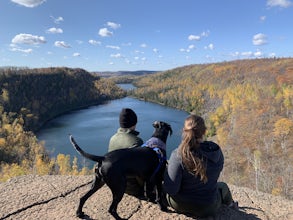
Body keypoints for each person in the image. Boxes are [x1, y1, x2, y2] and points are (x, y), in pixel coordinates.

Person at [163, 114, 238, 218]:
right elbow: (216, 174)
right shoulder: (216, 152)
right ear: (204, 131)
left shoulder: (178, 155)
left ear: (184, 130)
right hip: (208, 207)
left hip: (180, 205)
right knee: (223, 186)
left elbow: (171, 190)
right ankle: (231, 205)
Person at [108, 108, 144, 197]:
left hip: (115, 185)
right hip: (132, 189)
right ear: (134, 123)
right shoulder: (137, 141)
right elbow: (140, 171)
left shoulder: (112, 138)